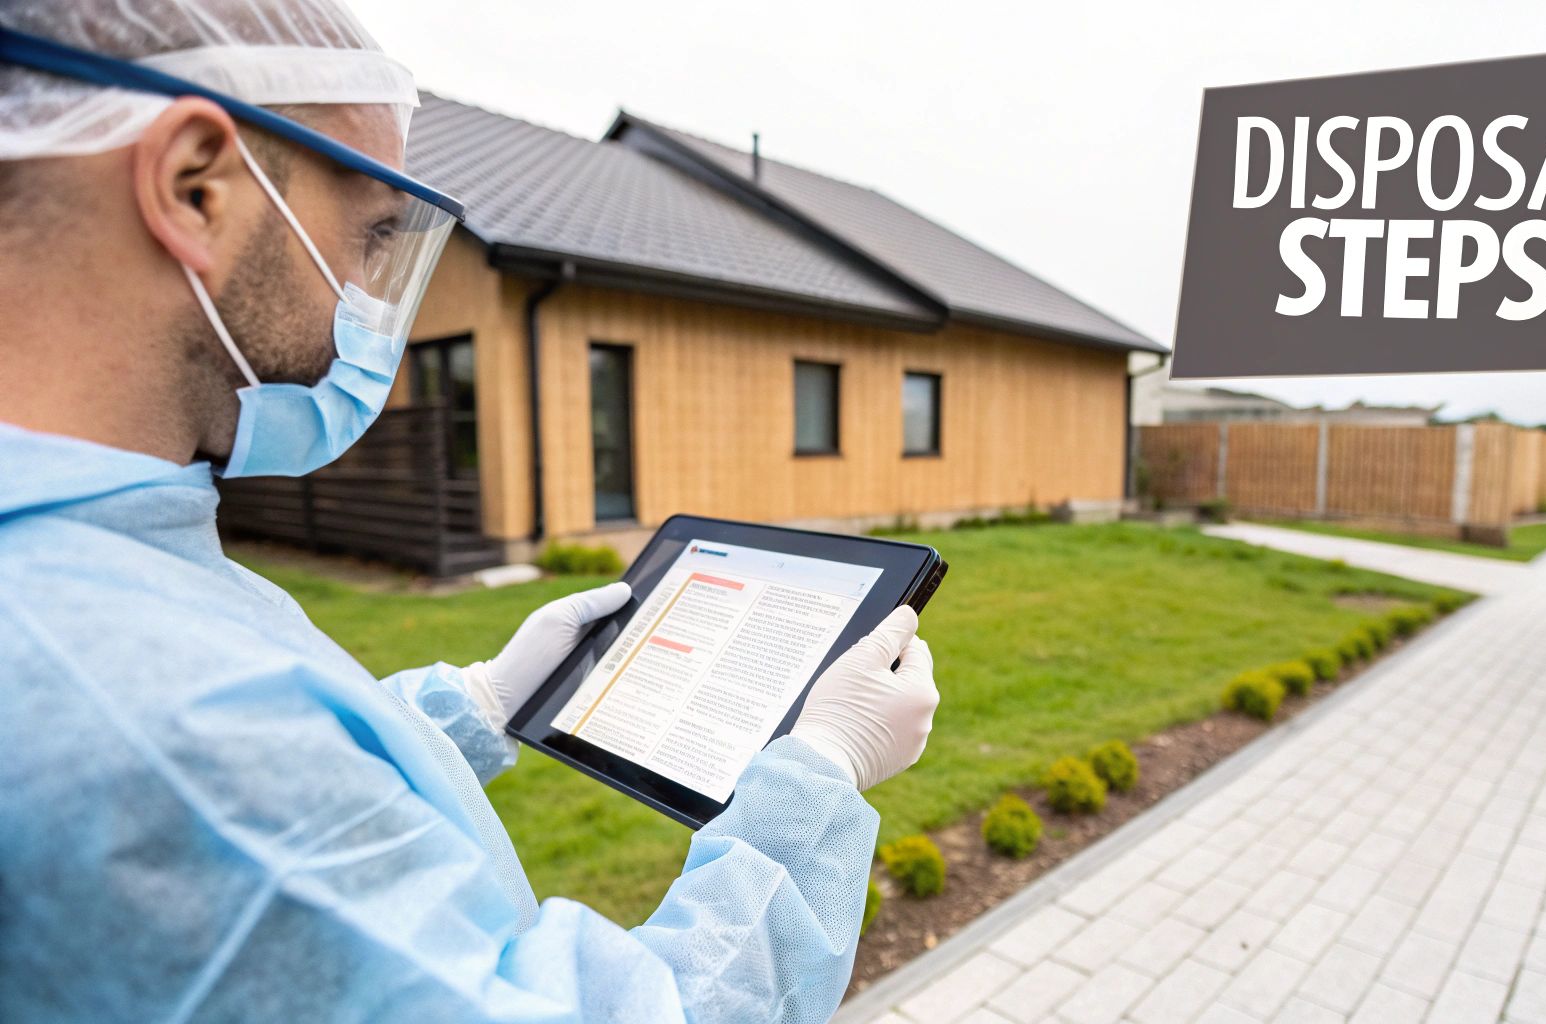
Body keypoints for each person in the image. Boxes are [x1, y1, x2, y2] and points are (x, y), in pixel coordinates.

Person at [0, 2, 939, 1021]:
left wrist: (479, 703)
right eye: (370, 234)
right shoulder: (154, 723)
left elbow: (305, 786)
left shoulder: (98, 555)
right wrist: (816, 775)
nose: (369, 299)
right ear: (196, 187)